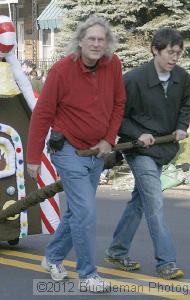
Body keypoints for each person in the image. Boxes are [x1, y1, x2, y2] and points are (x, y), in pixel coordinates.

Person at [26, 15, 126, 293]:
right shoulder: (61, 71)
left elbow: (119, 103)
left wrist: (109, 138)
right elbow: (42, 115)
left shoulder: (113, 64)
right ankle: (88, 274)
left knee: (77, 213)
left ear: (107, 43)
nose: (96, 43)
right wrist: (33, 157)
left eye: (101, 39)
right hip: (68, 148)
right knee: (85, 211)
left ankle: (53, 257)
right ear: (80, 41)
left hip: (96, 149)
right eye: (91, 38)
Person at [104, 28, 190, 280]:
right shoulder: (133, 79)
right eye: (169, 52)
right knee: (154, 203)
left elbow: (185, 105)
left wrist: (181, 127)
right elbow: (115, 116)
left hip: (164, 148)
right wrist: (137, 133)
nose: (174, 58)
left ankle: (117, 251)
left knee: (139, 202)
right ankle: (166, 262)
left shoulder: (182, 77)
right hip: (138, 150)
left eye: (178, 53)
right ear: (155, 50)